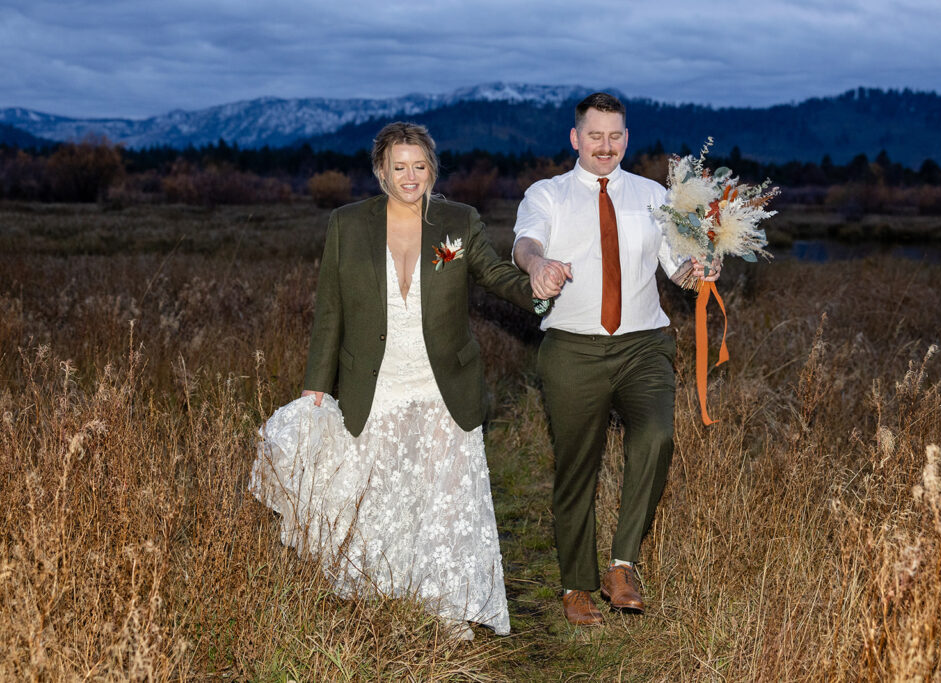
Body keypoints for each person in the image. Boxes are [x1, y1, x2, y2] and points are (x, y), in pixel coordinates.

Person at [249, 121, 541, 640]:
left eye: (420, 166)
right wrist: (317, 383)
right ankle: (386, 597)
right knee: (383, 494)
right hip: (376, 382)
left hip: (442, 382)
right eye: (399, 167)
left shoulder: (458, 221)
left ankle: (449, 606)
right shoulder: (346, 224)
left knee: (444, 496)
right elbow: (330, 308)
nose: (411, 177)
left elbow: (496, 276)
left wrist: (540, 285)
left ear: (433, 168)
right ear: (380, 170)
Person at [512, 92, 722, 626]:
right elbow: (525, 243)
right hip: (572, 348)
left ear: (626, 138)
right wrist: (538, 265)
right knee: (576, 468)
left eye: (615, 136)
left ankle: (622, 563)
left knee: (656, 437)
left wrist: (697, 269)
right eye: (595, 136)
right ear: (575, 138)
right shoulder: (548, 194)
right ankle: (576, 586)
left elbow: (676, 265)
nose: (606, 146)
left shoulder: (655, 196)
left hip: (643, 345)